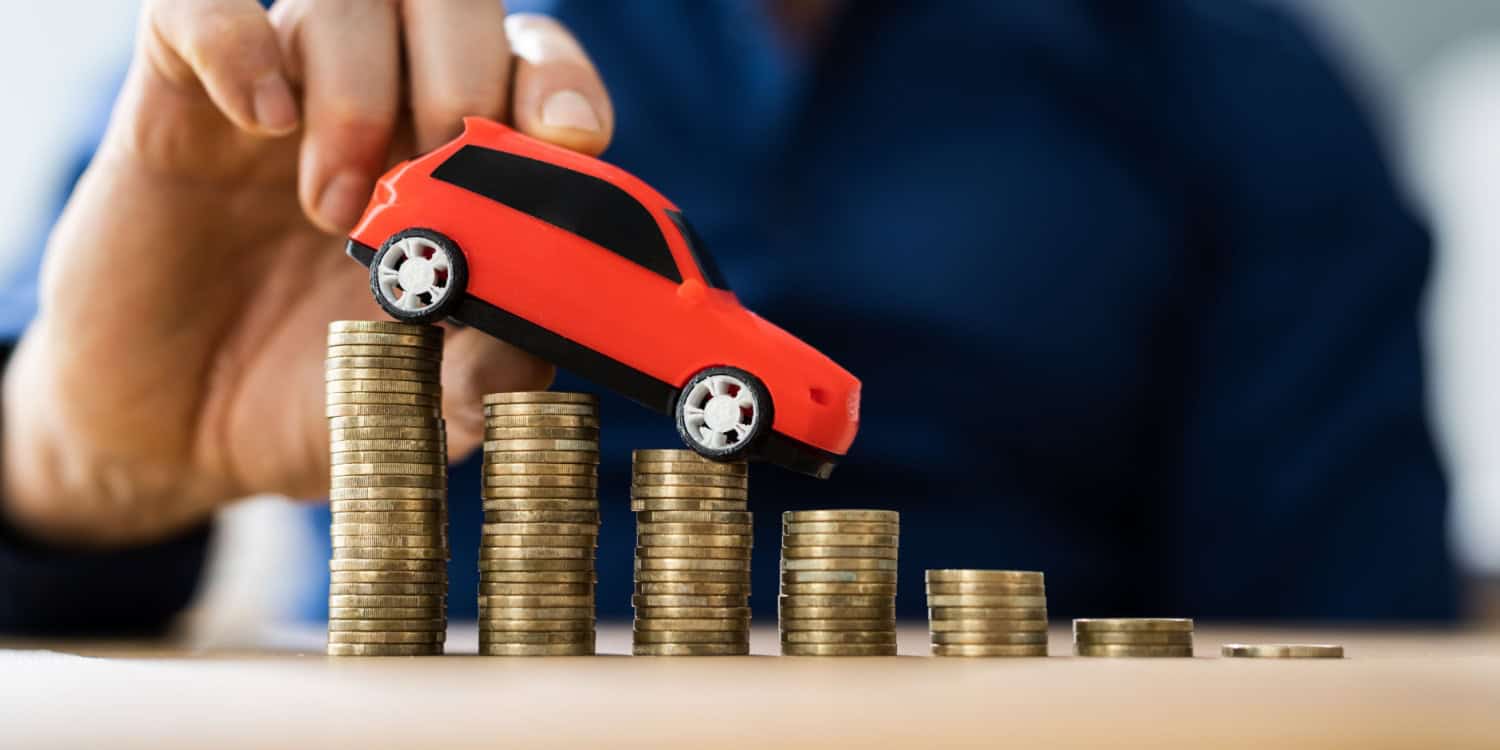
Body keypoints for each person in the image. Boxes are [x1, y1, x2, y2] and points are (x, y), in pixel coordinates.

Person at [0, 0, 1457, 634]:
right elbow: (62, 441)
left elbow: (1338, 657)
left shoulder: (1251, 94)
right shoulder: (304, 52)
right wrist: (73, 462)